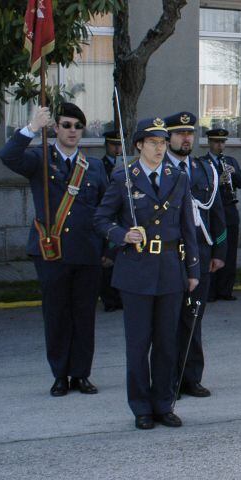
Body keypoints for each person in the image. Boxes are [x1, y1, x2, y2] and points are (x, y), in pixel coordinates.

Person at [94, 117, 200, 430]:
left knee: (167, 343)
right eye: (153, 143)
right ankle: (141, 407)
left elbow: (187, 226)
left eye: (163, 143)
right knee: (139, 345)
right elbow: (100, 219)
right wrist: (121, 234)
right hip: (136, 271)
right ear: (139, 144)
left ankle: (163, 404)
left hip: (169, 269)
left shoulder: (177, 177)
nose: (159, 148)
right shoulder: (123, 178)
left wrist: (192, 268)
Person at [0, 103, 107, 397]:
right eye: (67, 125)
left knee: (84, 315)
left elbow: (104, 209)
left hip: (86, 252)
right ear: (55, 128)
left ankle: (81, 374)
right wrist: (31, 128)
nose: (72, 131)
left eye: (78, 126)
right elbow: (7, 156)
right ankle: (60, 375)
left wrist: (107, 247)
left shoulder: (94, 166)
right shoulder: (39, 158)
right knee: (57, 315)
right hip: (51, 251)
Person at [164, 111, 226, 399]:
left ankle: (192, 377)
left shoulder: (204, 169)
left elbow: (217, 214)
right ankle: (170, 380)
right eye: (179, 133)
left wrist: (219, 251)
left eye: (189, 133)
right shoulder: (159, 168)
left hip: (200, 255)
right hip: (169, 257)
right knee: (169, 321)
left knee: (194, 318)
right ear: (168, 138)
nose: (186, 138)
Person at [204, 128, 241, 302]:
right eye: (216, 142)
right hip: (211, 214)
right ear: (209, 143)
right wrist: (217, 181)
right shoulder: (202, 162)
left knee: (229, 252)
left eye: (222, 142)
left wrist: (234, 173)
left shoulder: (231, 161)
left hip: (229, 211)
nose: (219, 145)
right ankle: (211, 290)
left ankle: (226, 289)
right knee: (213, 250)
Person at [99, 130, 124, 312]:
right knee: (106, 260)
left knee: (118, 256)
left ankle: (120, 296)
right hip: (107, 215)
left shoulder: (127, 165)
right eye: (113, 145)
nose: (117, 148)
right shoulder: (101, 166)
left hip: (121, 216)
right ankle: (109, 299)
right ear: (106, 145)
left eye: (119, 145)